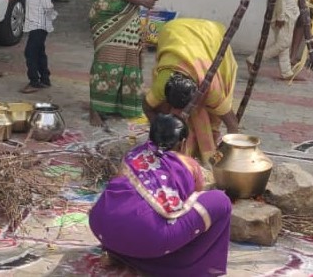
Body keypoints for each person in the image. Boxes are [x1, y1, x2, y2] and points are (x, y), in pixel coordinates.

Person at [88, 114, 232, 277]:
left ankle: (120, 254)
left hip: (102, 227)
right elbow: (191, 201)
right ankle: (180, 263)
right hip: (151, 241)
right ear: (183, 143)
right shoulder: (189, 164)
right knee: (221, 201)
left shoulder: (132, 155)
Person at [88, 0, 173, 126]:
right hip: (110, 17)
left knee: (127, 62)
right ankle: (96, 110)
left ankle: (118, 106)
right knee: (108, 63)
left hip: (128, 15)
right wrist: (142, 2)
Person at [143, 18, 240, 162]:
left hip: (211, 35)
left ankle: (203, 147)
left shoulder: (212, 89)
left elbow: (233, 126)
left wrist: (222, 153)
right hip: (174, 30)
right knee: (162, 108)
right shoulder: (162, 85)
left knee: (207, 115)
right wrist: (162, 130)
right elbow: (147, 107)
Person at [247, 0, 298, 79]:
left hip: (283, 9)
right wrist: (280, 16)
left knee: (282, 40)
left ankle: (286, 72)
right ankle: (254, 60)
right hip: (285, 11)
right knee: (284, 43)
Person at [21, 0, 57, 94]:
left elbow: (47, 4)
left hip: (38, 25)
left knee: (30, 52)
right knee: (39, 51)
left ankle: (34, 81)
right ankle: (45, 78)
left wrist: (51, 17)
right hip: (36, 24)